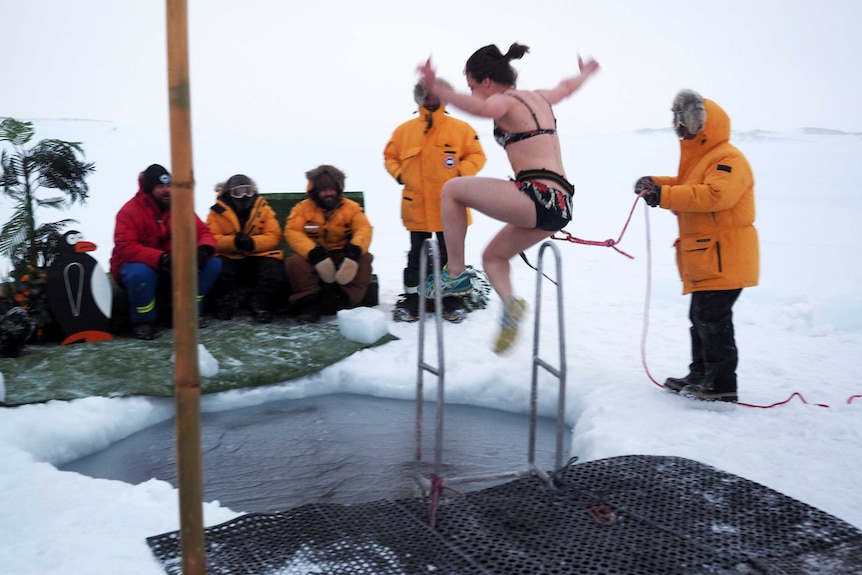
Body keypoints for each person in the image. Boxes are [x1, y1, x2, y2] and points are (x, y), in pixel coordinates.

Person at [417, 43, 599, 353]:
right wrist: (584, 75)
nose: (473, 93)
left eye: (473, 87)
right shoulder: (539, 97)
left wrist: (438, 90)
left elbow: (485, 109)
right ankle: (510, 307)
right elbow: (565, 88)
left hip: (537, 196)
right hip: (561, 204)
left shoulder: (503, 100)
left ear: (487, 82)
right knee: (494, 257)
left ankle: (455, 273)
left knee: (452, 190)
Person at [634, 89, 759, 402]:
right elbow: (687, 185)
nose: (679, 126)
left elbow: (714, 195)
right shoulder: (703, 159)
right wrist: (656, 184)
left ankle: (721, 384)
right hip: (707, 256)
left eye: (683, 119)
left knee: (712, 319)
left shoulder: (728, 159)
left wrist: (662, 196)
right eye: (676, 119)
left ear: (698, 122)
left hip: (724, 256)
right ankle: (701, 373)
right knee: (700, 317)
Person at [384, 79, 487, 323]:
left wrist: (460, 174)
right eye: (426, 96)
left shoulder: (460, 129)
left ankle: (450, 300)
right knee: (415, 255)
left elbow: (477, 156)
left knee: (450, 255)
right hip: (416, 206)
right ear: (419, 98)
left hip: (449, 205)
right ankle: (413, 300)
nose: (431, 100)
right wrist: (400, 174)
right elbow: (390, 156)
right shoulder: (404, 131)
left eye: (436, 96)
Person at [109, 164, 222, 340]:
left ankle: (187, 313)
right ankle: (143, 322)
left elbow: (203, 232)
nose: (167, 190)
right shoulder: (129, 212)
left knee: (213, 263)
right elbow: (126, 247)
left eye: (169, 185)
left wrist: (203, 250)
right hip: (144, 269)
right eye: (160, 187)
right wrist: (161, 258)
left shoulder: (181, 207)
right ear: (148, 189)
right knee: (140, 273)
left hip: (172, 268)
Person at [283, 165, 374, 324]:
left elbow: (364, 228)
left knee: (365, 259)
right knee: (295, 262)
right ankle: (309, 304)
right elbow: (293, 232)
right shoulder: (301, 209)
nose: (329, 193)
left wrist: (354, 251)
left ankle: (347, 301)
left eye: (332, 188)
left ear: (339, 189)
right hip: (315, 256)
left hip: (342, 254)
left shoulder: (351, 208)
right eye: (324, 189)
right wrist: (313, 253)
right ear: (315, 191)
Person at [206, 174, 285, 324]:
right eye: (238, 192)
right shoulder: (216, 213)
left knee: (274, 270)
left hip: (258, 254)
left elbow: (274, 235)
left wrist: (253, 243)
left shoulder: (264, 210)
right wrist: (233, 242)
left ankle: (261, 305)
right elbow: (212, 237)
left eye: (248, 191)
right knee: (220, 268)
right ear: (229, 193)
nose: (244, 196)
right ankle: (226, 303)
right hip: (231, 256)